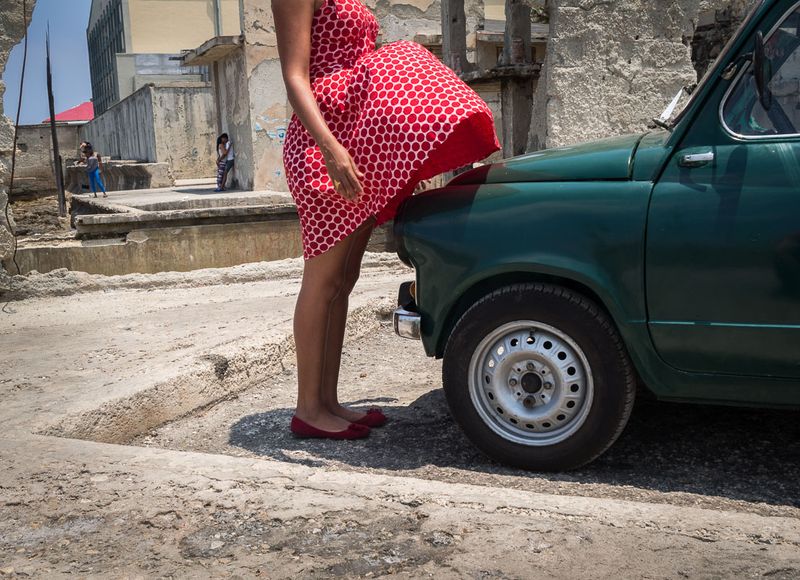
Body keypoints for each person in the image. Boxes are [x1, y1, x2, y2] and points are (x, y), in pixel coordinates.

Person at [273, 0, 499, 439]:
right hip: (324, 148)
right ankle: (308, 409)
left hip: (357, 141)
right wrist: (331, 148)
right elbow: (295, 77)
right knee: (322, 280)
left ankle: (328, 401)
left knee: (342, 282)